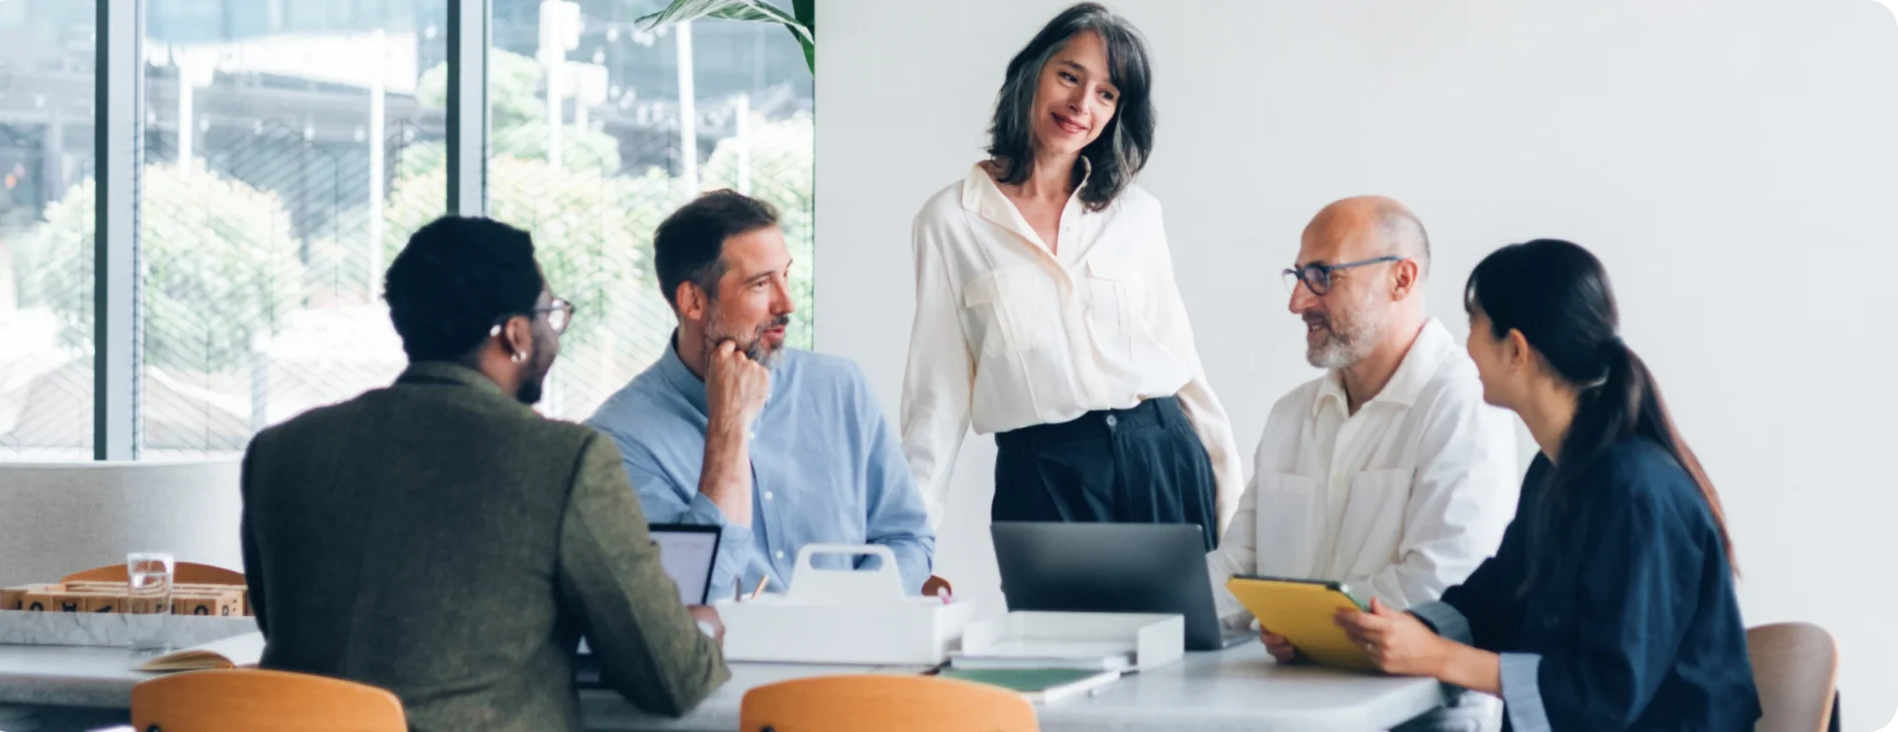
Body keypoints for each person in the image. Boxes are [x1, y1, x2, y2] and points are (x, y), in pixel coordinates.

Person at [240, 217, 729, 731]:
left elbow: (287, 626)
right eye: (550, 316)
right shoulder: (564, 459)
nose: (553, 335)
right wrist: (701, 635)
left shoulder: (280, 452)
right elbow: (672, 679)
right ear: (516, 335)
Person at [1333, 239, 1761, 731]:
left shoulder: (1638, 493)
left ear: (1515, 349)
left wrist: (1440, 658)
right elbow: (1495, 599)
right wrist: (1382, 631)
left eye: (1473, 324)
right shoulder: (1555, 472)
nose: (1464, 344)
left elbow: (1606, 694)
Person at [902, 2, 1239, 542]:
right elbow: (936, 395)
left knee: (1183, 630)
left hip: (1162, 458)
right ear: (1031, 73)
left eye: (1107, 93)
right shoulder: (950, 220)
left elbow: (1184, 368)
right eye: (1069, 76)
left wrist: (1234, 515)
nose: (1083, 103)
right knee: (1054, 631)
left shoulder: (1136, 213)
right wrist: (909, 540)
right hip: (1043, 477)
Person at [1206, 196, 1518, 729]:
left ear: (1401, 280)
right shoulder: (1291, 416)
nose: (1298, 301)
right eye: (1299, 275)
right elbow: (1240, 566)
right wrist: (1144, 611)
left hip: (1421, 712)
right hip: (1293, 707)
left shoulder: (1464, 403)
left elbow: (1444, 585)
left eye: (1323, 275)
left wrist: (1303, 628)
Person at [587, 190, 936, 602]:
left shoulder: (840, 388)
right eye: (760, 284)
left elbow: (907, 538)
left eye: (785, 275)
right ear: (693, 301)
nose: (786, 302)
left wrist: (846, 612)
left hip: (851, 660)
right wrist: (728, 428)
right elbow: (682, 597)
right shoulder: (617, 441)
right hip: (728, 665)